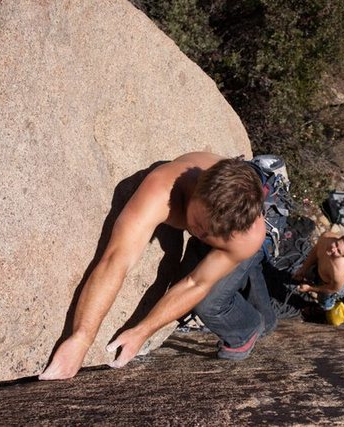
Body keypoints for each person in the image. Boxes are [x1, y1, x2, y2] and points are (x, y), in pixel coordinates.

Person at [40, 152, 276, 380]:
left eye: (210, 234)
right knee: (223, 286)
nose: (201, 233)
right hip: (217, 209)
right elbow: (116, 260)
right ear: (197, 191)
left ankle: (248, 328)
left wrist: (142, 332)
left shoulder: (248, 235)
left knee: (209, 302)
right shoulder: (161, 188)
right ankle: (263, 313)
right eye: (199, 225)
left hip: (241, 242)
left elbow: (196, 283)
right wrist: (81, 338)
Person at [292, 231, 344, 311]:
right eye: (336, 244)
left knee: (325, 304)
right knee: (303, 273)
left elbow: (333, 289)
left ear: (343, 256)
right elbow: (315, 251)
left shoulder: (338, 272)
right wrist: (303, 269)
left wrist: (310, 288)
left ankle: (342, 293)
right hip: (320, 268)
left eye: (338, 251)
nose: (333, 249)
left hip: (329, 283)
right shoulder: (326, 237)